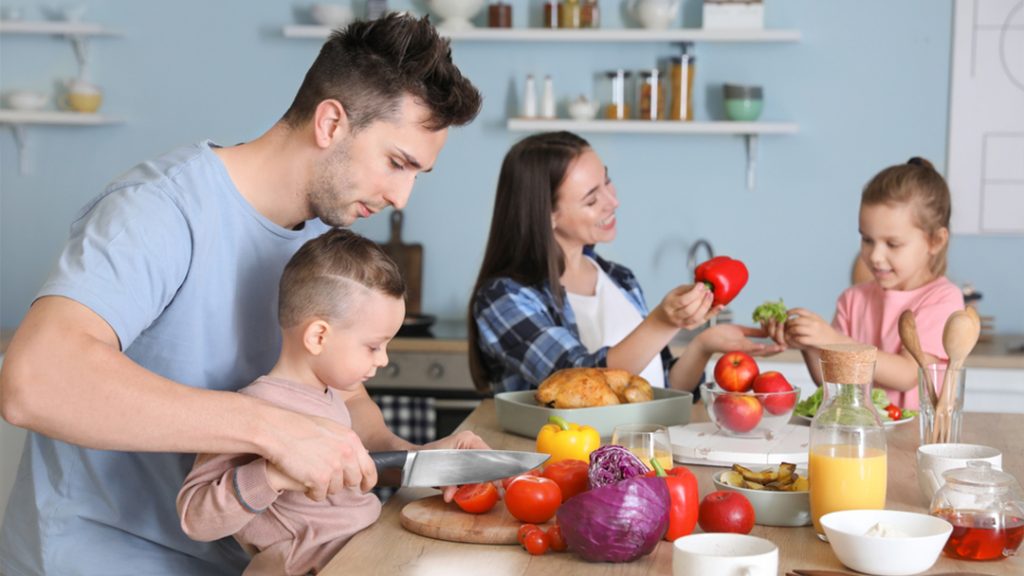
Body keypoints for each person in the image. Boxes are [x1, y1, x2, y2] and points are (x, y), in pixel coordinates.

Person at [0, 14, 483, 576]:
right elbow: (33, 382)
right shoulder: (158, 211)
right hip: (99, 558)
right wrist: (270, 429)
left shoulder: (322, 236)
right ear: (330, 122)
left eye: (417, 174)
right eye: (397, 163)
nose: (402, 197)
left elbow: (340, 399)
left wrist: (409, 460)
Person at [468, 131, 782, 394]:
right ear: (546, 215)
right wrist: (662, 321)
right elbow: (579, 384)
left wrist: (702, 345)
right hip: (558, 465)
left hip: (637, 460)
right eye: (591, 199)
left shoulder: (620, 279)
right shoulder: (503, 298)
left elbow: (659, 387)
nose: (613, 201)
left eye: (607, 182)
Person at [178, 228, 409, 575]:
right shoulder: (256, 409)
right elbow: (196, 518)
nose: (383, 360)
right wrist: (272, 476)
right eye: (374, 346)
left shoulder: (330, 397)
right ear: (318, 336)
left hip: (363, 555)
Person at [759, 157, 964, 409]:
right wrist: (809, 344)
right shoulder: (853, 299)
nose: (875, 256)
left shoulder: (942, 299)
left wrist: (832, 340)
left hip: (915, 442)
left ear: (935, 241)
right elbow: (830, 381)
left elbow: (908, 374)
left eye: (892, 244)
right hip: (859, 441)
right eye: (867, 240)